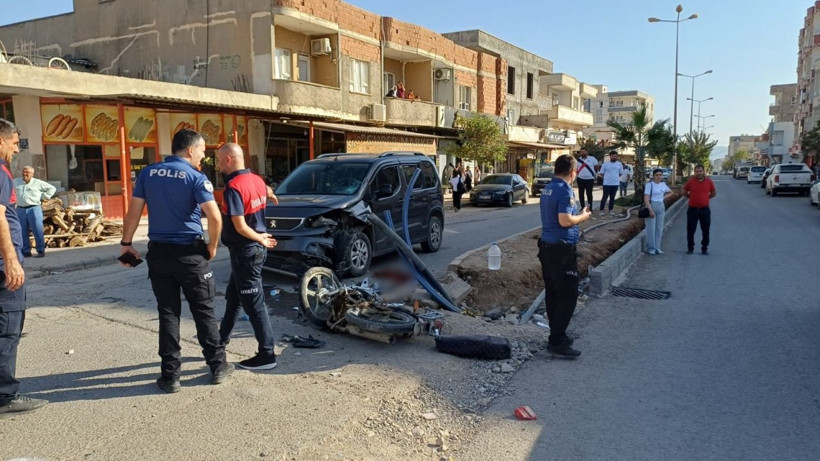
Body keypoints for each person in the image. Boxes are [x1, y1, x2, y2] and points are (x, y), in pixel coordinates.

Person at [119, 129, 233, 393]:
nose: (204, 156)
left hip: (159, 254)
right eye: (203, 151)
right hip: (190, 254)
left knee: (168, 313)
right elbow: (215, 218)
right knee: (203, 310)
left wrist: (126, 244)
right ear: (191, 150)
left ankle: (170, 376)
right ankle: (217, 366)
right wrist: (212, 247)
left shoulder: (148, 173)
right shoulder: (195, 177)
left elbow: (133, 211)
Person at [216, 144, 279, 371]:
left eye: (220, 161)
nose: (218, 165)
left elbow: (240, 226)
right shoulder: (256, 180)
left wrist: (260, 239)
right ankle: (220, 342)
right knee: (233, 299)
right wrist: (272, 196)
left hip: (247, 251)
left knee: (255, 305)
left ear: (229, 159)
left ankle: (267, 354)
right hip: (246, 253)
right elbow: (268, 191)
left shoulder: (233, 187)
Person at [0, 119, 48, 415]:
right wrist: (12, 260)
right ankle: (4, 397)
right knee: (7, 329)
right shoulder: (1, 173)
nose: (17, 149)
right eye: (14, 143)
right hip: (2, 265)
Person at [538, 154, 591, 359]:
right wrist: (583, 216)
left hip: (547, 248)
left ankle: (556, 334)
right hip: (561, 250)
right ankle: (556, 341)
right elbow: (565, 220)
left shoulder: (548, 188)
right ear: (573, 173)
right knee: (568, 295)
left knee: (553, 293)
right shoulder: (565, 190)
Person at [13, 166, 56, 258]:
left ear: (32, 174)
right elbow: (10, 190)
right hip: (20, 209)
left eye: (27, 172)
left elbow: (52, 189)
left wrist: (43, 196)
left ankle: (40, 251)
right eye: (24, 172)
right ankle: (26, 251)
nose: (25, 174)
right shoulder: (16, 182)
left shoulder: (38, 183)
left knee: (37, 230)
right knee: (22, 231)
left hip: (34, 208)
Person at [682, 164, 716, 255]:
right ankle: (690, 248)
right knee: (690, 230)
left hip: (704, 210)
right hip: (692, 210)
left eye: (700, 171)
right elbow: (684, 191)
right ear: (695, 172)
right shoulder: (691, 181)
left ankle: (704, 248)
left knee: (705, 230)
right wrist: (691, 197)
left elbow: (713, 193)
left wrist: (705, 198)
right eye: (697, 171)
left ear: (703, 171)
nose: (698, 173)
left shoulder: (709, 182)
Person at [643, 168, 673, 255]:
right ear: (653, 176)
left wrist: (663, 197)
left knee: (659, 228)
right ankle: (651, 248)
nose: (659, 176)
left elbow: (671, 192)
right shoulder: (650, 185)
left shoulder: (663, 184)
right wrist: (650, 210)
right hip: (651, 206)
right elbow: (646, 198)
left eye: (660, 175)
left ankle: (657, 247)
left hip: (660, 206)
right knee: (651, 229)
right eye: (657, 175)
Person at [597, 150, 623, 217]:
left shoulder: (619, 164)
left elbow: (620, 173)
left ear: (617, 157)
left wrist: (614, 178)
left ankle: (611, 210)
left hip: (615, 184)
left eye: (615, 156)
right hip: (606, 184)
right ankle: (601, 210)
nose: (614, 157)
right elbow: (601, 173)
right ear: (610, 156)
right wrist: (607, 178)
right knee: (605, 197)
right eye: (612, 156)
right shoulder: (605, 164)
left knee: (612, 198)